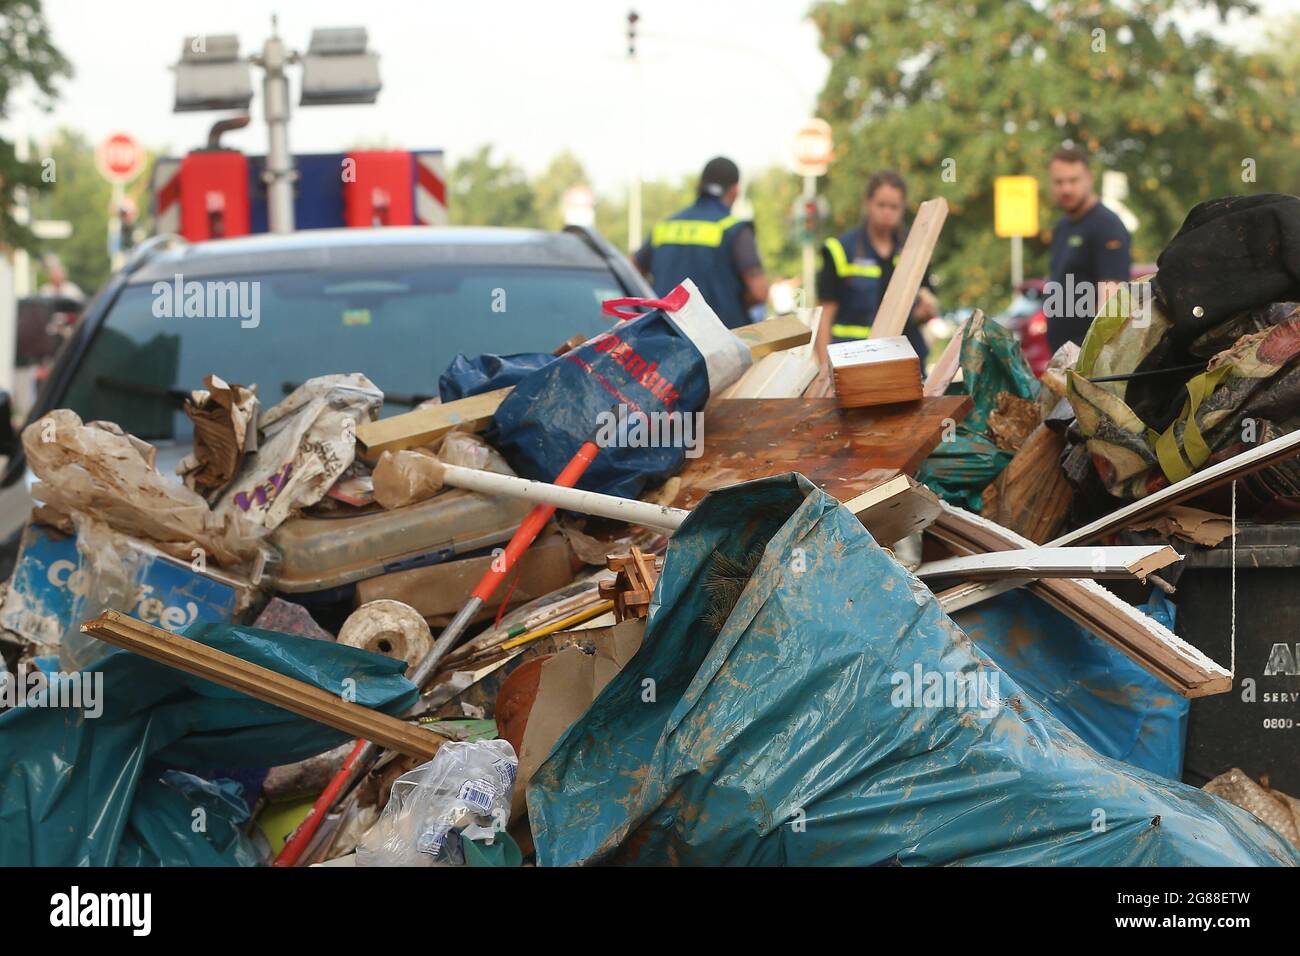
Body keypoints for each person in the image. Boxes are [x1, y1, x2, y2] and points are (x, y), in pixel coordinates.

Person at [814, 171, 938, 380]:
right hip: (852, 362)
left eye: (894, 207)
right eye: (881, 205)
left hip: (905, 362)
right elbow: (824, 316)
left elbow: (926, 303)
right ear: (868, 203)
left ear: (902, 208)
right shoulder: (840, 249)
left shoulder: (915, 248)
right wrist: (825, 372)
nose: (887, 212)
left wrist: (925, 312)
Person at [634, 157, 769, 329]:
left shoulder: (665, 226)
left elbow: (631, 270)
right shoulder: (733, 229)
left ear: (699, 186)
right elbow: (759, 292)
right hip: (717, 343)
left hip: (664, 339)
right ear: (735, 191)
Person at [1045, 143, 1131, 352]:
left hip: (1088, 360)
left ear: (1089, 179)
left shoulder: (1107, 225)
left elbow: (1111, 306)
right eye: (1059, 182)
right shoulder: (1062, 227)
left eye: (1073, 180)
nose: (1066, 188)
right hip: (1061, 355)